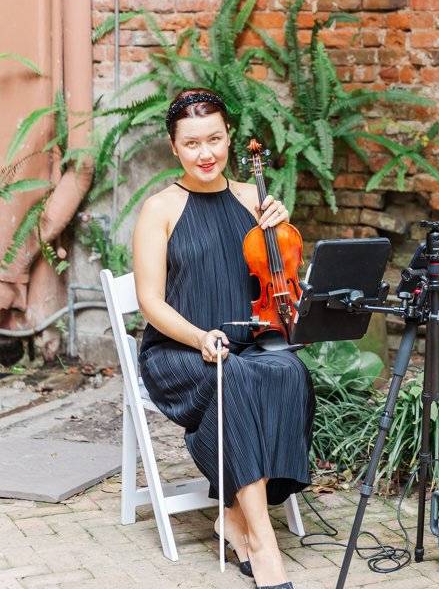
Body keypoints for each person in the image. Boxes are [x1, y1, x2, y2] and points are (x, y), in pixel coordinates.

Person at [132, 88, 314, 589]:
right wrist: (197, 337)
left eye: (214, 138)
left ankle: (233, 519)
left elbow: (277, 275)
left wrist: (281, 227)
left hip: (245, 341)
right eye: (192, 144)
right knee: (232, 377)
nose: (206, 153)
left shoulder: (255, 200)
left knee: (289, 370)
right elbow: (151, 302)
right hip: (178, 352)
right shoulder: (160, 209)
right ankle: (261, 540)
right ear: (174, 147)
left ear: (229, 136)